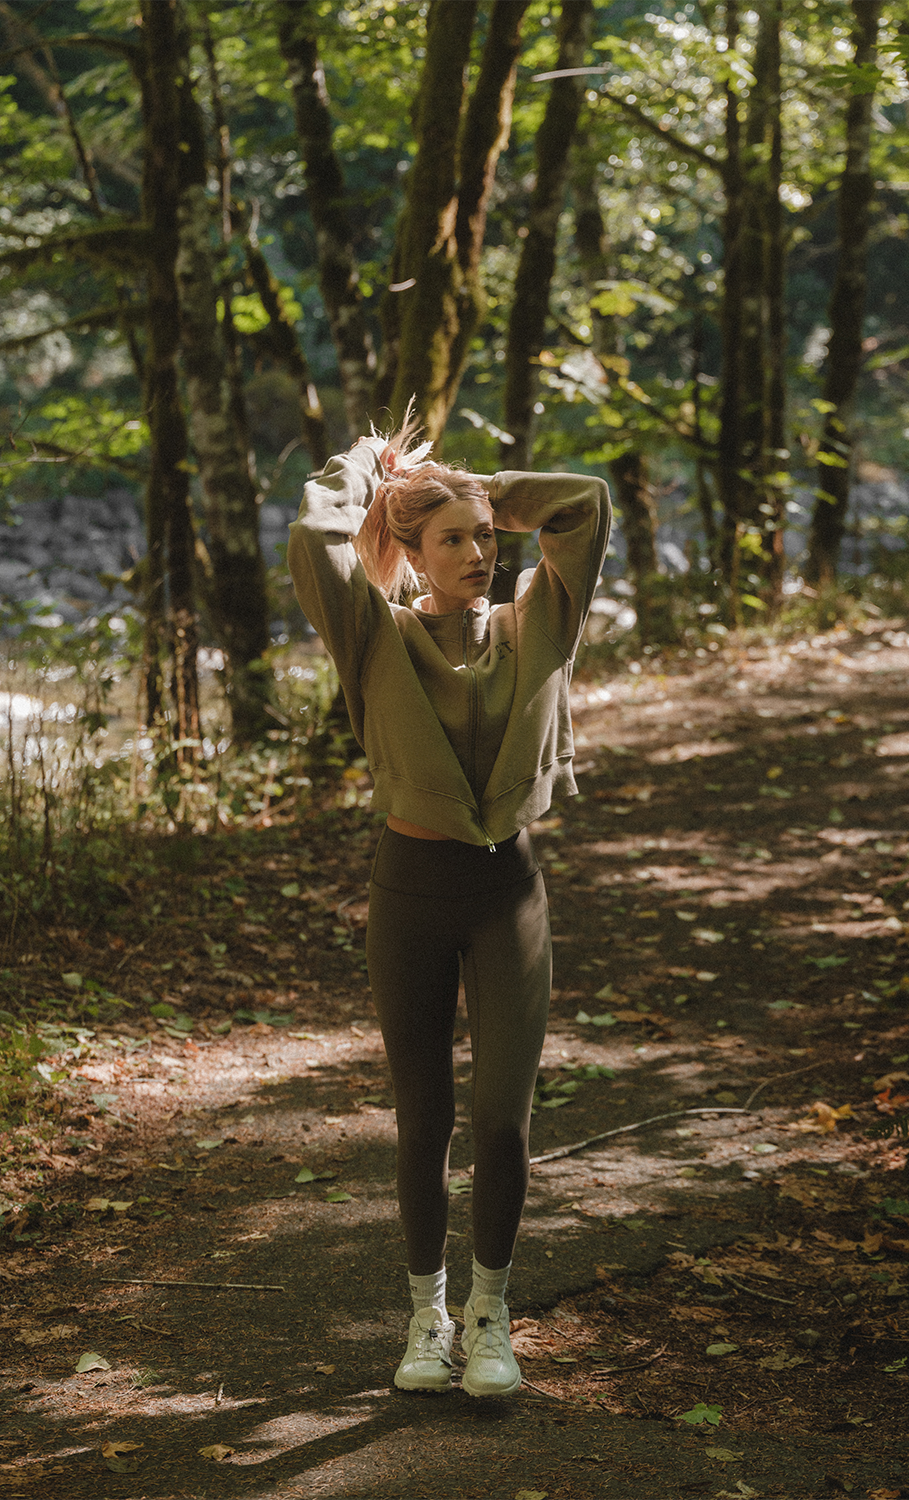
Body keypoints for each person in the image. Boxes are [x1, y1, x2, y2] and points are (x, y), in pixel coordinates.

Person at [288, 422, 611, 1397]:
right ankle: (426, 1317)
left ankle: (492, 1313)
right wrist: (376, 473)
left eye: (488, 538)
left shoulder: (539, 619)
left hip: (508, 893)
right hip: (410, 894)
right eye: (455, 540)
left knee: (504, 1120)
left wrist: (476, 488)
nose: (478, 554)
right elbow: (315, 538)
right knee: (422, 1119)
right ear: (416, 557)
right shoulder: (373, 636)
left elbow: (585, 501)